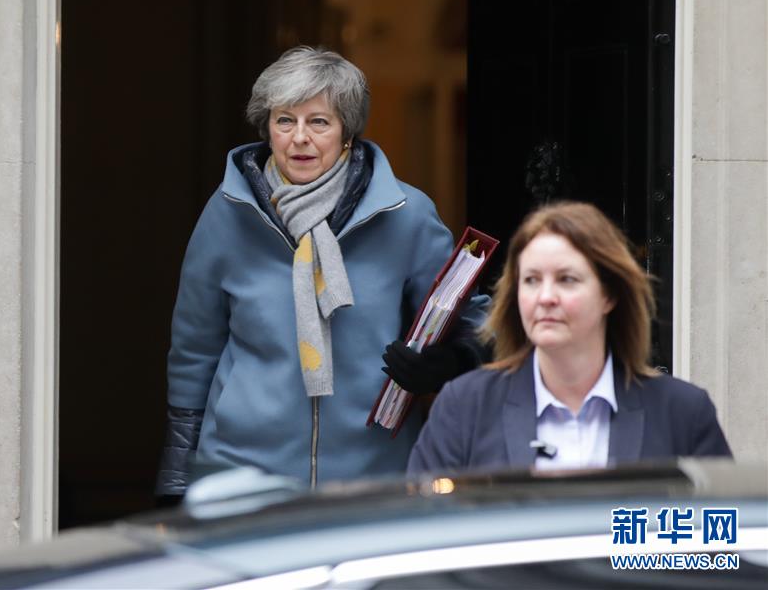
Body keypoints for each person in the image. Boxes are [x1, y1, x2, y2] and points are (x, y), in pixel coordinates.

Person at [155, 46, 489, 501]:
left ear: (346, 131)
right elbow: (195, 348)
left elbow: (476, 324)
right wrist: (176, 474)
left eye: (318, 122)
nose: (300, 138)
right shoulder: (227, 213)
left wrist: (447, 364)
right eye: (284, 120)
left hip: (371, 475)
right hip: (242, 471)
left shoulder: (405, 215)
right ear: (267, 128)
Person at [408, 201, 732, 475]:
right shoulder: (465, 406)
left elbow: (723, 528)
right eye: (531, 280)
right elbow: (424, 523)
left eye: (567, 279)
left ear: (609, 295)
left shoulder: (683, 412)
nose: (546, 297)